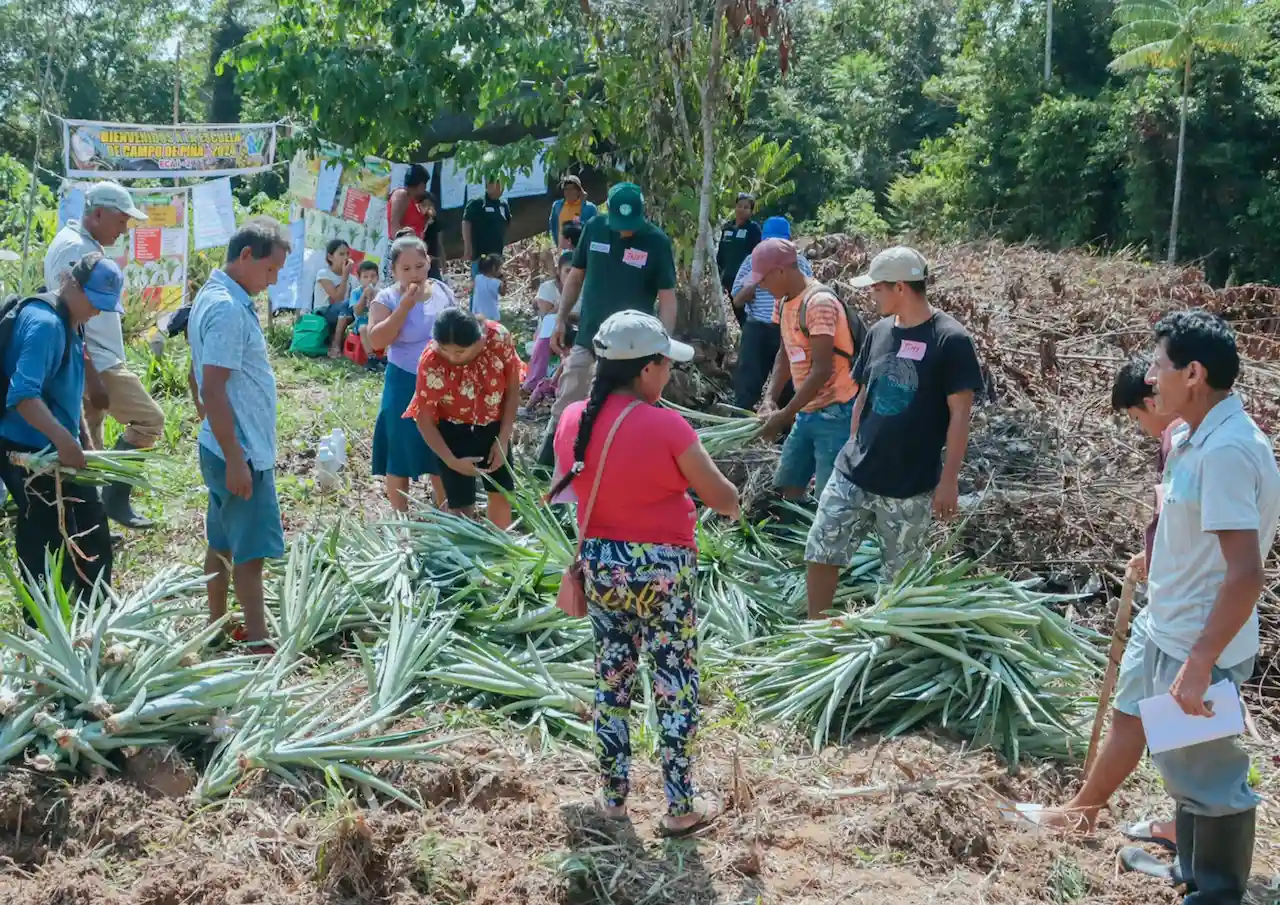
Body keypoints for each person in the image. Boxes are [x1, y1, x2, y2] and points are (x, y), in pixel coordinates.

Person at [548, 310, 740, 836]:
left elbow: (572, 491)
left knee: (613, 681)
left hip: (603, 569)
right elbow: (723, 498)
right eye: (664, 365)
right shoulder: (667, 425)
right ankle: (680, 806)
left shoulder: (572, 421)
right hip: (663, 574)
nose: (667, 375)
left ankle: (612, 799)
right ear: (647, 368)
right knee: (673, 682)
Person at [1115, 311, 1280, 903]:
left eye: (1159, 365)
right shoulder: (1190, 435)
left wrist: (1202, 662)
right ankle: (1191, 871)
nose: (1151, 377)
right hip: (1173, 630)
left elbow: (1245, 573)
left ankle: (1217, 893)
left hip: (1199, 644)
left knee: (1211, 776)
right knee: (1181, 764)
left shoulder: (1230, 451)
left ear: (1194, 372)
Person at [1014, 356, 1181, 844]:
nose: (1139, 428)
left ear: (1153, 399)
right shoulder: (1179, 441)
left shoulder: (1208, 444)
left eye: (1135, 417)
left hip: (1189, 618)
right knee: (1132, 709)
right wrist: (1153, 551)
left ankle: (1186, 826)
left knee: (1178, 733)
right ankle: (1082, 811)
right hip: (1165, 606)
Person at [805, 246, 983, 619]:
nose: (872, 295)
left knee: (899, 578)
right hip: (855, 471)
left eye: (877, 288)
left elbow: (960, 416)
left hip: (908, 484)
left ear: (900, 287)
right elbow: (862, 397)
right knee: (821, 546)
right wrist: (855, 442)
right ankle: (815, 628)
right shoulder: (879, 332)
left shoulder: (950, 340)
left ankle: (888, 645)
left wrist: (949, 481)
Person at [187, 218, 292, 649]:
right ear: (246, 256)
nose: (273, 281)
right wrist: (235, 456)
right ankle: (258, 640)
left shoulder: (211, 296)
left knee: (223, 542)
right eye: (270, 270)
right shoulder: (229, 309)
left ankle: (217, 624)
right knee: (250, 552)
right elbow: (212, 386)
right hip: (239, 450)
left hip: (222, 441)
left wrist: (211, 423)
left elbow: (198, 378)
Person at [44, 181, 164, 530]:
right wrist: (91, 373)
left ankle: (92, 524)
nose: (125, 229)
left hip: (94, 359)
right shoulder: (74, 250)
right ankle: (115, 499)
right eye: (121, 221)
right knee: (149, 420)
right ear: (97, 214)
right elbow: (68, 316)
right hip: (96, 361)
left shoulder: (79, 242)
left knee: (90, 447)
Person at [0, 255, 121, 602]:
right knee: (45, 541)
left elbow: (65, 393)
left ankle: (92, 620)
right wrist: (64, 441)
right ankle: (44, 632)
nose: (98, 311)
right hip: (28, 454)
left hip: (57, 448)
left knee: (90, 532)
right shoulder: (45, 325)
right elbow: (22, 396)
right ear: (72, 284)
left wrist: (82, 438)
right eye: (95, 302)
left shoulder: (72, 320)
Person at [536, 183, 678, 466]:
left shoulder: (657, 242)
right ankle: (549, 462)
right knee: (570, 394)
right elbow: (575, 277)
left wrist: (664, 344)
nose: (625, 231)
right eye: (620, 224)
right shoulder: (595, 228)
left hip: (632, 346)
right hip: (590, 334)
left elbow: (668, 299)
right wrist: (560, 320)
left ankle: (607, 466)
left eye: (631, 225)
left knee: (620, 406)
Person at [753, 238, 860, 500]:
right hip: (807, 410)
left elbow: (822, 370)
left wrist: (785, 414)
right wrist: (769, 400)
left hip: (836, 412)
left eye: (764, 279)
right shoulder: (783, 301)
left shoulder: (818, 303)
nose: (761, 285)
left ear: (781, 271)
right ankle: (791, 537)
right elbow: (785, 353)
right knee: (788, 487)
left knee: (830, 499)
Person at [407, 309, 521, 528]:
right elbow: (424, 418)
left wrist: (504, 438)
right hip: (452, 429)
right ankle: (463, 554)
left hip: (493, 426)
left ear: (480, 340)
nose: (451, 357)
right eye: (444, 349)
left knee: (501, 492)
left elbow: (513, 388)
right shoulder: (431, 361)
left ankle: (501, 551)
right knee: (459, 503)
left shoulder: (498, 338)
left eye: (460, 351)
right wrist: (451, 461)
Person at [368, 233, 454, 512]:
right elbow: (377, 341)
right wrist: (405, 305)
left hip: (442, 381)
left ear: (428, 263)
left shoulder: (441, 291)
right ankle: (400, 523)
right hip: (404, 379)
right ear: (393, 271)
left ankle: (447, 516)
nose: (414, 274)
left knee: (441, 450)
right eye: (405, 269)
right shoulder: (386, 298)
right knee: (400, 450)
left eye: (419, 266)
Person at [730, 216, 809, 411]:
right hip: (757, 328)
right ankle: (740, 422)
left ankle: (784, 428)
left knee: (789, 383)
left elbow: (804, 297)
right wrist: (758, 277)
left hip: (787, 328)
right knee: (748, 381)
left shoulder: (799, 264)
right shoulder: (752, 262)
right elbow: (738, 300)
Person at [522, 252, 574, 414]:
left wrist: (565, 316)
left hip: (572, 332)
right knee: (551, 321)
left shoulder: (584, 289)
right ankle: (534, 380)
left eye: (575, 271)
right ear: (559, 271)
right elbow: (546, 316)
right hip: (548, 334)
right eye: (567, 271)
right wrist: (562, 308)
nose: (571, 275)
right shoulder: (548, 288)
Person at [387, 165, 445, 282]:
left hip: (416, 251)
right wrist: (407, 251)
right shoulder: (402, 195)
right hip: (403, 251)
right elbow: (395, 227)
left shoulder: (417, 201)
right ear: (421, 185)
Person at [716, 192, 762, 313]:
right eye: (739, 206)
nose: (742, 209)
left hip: (744, 279)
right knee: (736, 310)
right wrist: (720, 274)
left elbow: (757, 255)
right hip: (729, 278)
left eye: (746, 207)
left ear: (751, 211)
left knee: (746, 312)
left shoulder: (753, 229)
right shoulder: (727, 228)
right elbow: (721, 253)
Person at [313, 239, 354, 359]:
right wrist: (345, 277)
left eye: (347, 254)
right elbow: (338, 297)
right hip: (324, 312)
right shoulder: (324, 274)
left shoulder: (352, 278)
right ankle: (336, 344)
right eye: (341, 254)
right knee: (346, 304)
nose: (345, 258)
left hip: (343, 313)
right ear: (330, 257)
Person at [462, 179, 511, 279]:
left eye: (502, 185)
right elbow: (466, 223)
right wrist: (468, 247)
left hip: (497, 255)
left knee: (495, 287)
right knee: (479, 288)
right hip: (480, 255)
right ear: (488, 185)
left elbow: (507, 224)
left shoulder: (503, 205)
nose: (501, 188)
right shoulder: (477, 203)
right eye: (498, 184)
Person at [549, 175, 599, 250]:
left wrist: (582, 204)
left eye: (573, 189)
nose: (569, 192)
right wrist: (558, 244)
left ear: (579, 191)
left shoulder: (590, 208)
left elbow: (594, 231)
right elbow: (553, 226)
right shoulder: (557, 206)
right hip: (563, 250)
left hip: (583, 251)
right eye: (566, 189)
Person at [351, 260, 384, 368]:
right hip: (362, 321)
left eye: (373, 276)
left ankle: (386, 357)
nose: (369, 279)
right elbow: (357, 311)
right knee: (364, 328)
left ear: (378, 278)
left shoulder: (381, 293)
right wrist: (364, 296)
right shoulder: (356, 292)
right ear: (359, 278)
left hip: (376, 320)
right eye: (365, 277)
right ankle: (371, 357)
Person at [471, 254, 504, 321]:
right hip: (492, 317)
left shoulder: (477, 278)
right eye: (500, 268)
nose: (501, 271)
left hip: (477, 317)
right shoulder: (496, 283)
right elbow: (503, 293)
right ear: (494, 268)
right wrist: (504, 280)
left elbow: (472, 287)